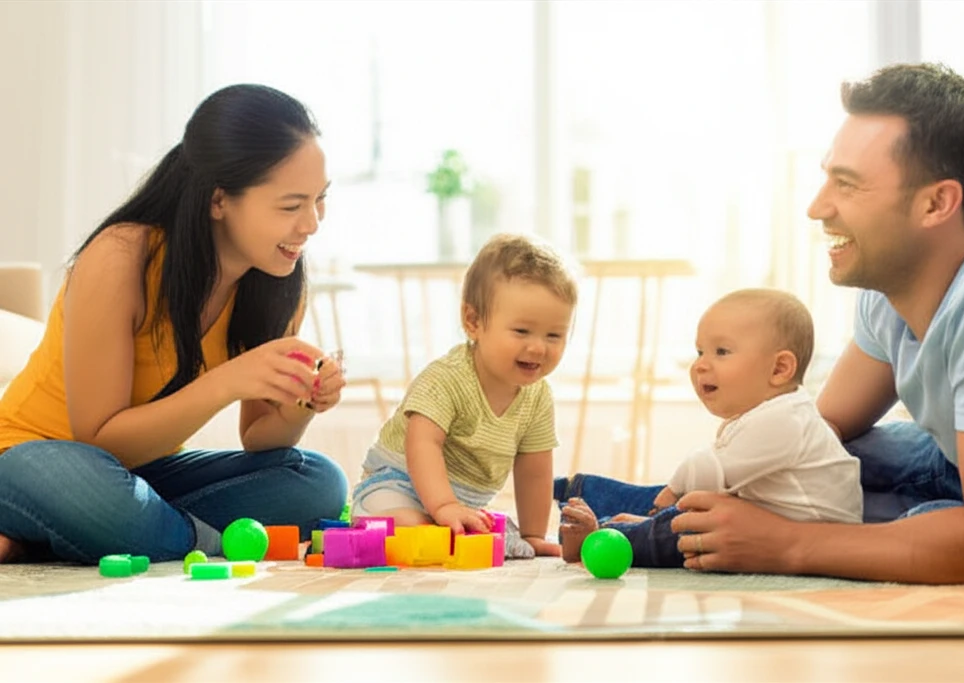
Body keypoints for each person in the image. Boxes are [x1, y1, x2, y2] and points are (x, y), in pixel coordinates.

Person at [669, 62, 964, 584]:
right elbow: (819, 430)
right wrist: (728, 476)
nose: (817, 208)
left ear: (936, 203)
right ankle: (655, 510)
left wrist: (786, 544)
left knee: (920, 523)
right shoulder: (895, 285)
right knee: (841, 454)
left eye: (847, 185)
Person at [0, 84, 349, 564]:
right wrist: (229, 380)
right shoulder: (121, 257)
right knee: (88, 491)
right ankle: (181, 538)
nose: (311, 223)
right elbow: (99, 440)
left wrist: (303, 401)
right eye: (291, 206)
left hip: (144, 476)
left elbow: (260, 439)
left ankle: (87, 534)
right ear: (219, 200)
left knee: (318, 481)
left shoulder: (278, 278)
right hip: (34, 460)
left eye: (320, 200)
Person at [556, 289, 862, 566]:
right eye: (700, 351)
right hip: (764, 513)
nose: (701, 364)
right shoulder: (775, 413)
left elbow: (709, 470)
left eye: (721, 352)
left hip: (801, 534)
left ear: (780, 369)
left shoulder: (786, 421)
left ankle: (599, 537)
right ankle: (577, 494)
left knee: (677, 529)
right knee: (665, 498)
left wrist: (673, 492)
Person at [351, 233, 577, 558]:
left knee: (498, 536)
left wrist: (533, 534)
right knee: (406, 522)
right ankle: (429, 526)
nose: (539, 347)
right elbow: (423, 443)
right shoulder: (447, 378)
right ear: (473, 322)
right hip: (397, 484)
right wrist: (443, 505)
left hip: (463, 504)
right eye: (522, 331)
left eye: (554, 335)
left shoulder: (538, 396)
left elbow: (534, 469)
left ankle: (457, 530)